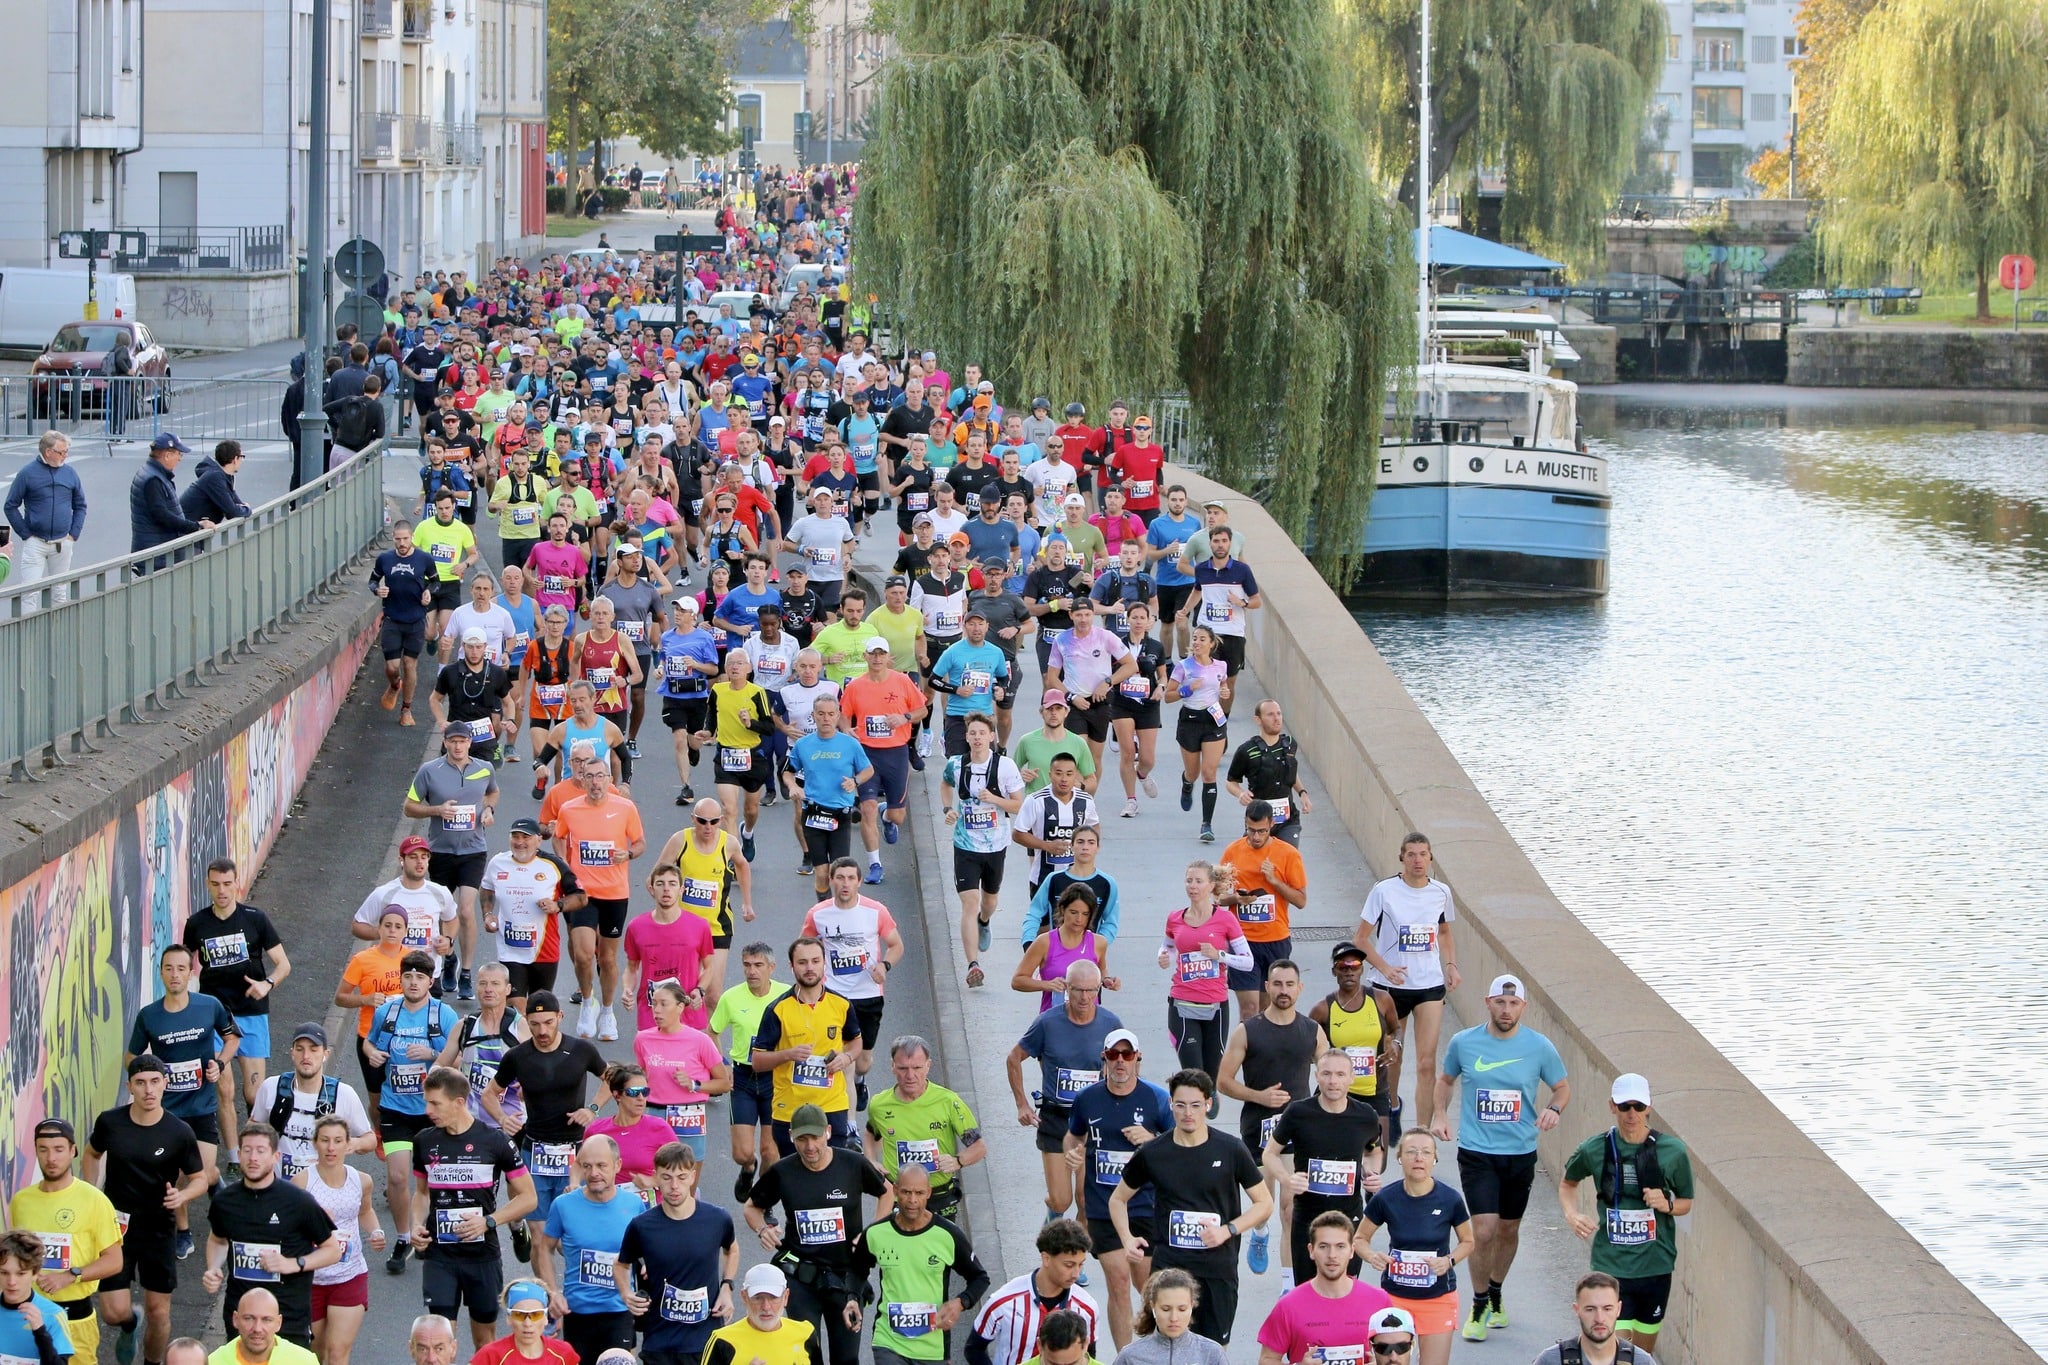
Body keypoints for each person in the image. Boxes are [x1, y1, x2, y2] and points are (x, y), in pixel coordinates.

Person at [1432, 972, 1568, 1342]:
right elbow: (1445, 1080)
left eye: (1513, 1003)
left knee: (1508, 1229)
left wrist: (1555, 1109)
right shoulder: (1464, 1043)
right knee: (1485, 1229)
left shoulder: (1539, 1047)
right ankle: (1477, 1304)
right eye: (1500, 1002)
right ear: (1488, 1003)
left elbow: (1562, 1087)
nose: (1506, 1010)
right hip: (1477, 1151)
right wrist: (1440, 1115)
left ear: (1523, 1007)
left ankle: (1495, 1290)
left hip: (1520, 1152)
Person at [1107, 1069, 1271, 1347]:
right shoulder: (1154, 1152)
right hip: (1169, 1269)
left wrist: (1227, 1230)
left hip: (1217, 1267)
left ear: (1208, 1104)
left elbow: (1264, 1203)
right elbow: (1118, 1199)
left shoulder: (1231, 1149)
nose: (1188, 1113)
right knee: (1165, 1347)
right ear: (1170, 1104)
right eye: (1180, 1105)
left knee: (1214, 1349)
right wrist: (1127, 1238)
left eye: (1196, 1105)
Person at [744, 1104, 891, 1365]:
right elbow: (752, 1207)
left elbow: (886, 1191)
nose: (810, 1146)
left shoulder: (852, 1163)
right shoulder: (783, 1171)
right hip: (801, 1277)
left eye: (815, 1137)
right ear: (791, 1137)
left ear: (828, 1132)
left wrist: (873, 1232)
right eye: (802, 1139)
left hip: (846, 1276)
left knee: (846, 1358)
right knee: (806, 1356)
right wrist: (762, 1229)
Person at [1557, 1076, 1694, 1353]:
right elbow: (1568, 1183)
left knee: (1641, 1354)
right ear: (1612, 1106)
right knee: (1611, 1349)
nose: (1632, 1114)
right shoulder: (1594, 1149)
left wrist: (1666, 1203)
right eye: (1624, 1106)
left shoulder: (1673, 1151)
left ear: (1649, 1107)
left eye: (1638, 1106)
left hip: (1655, 1266)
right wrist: (1572, 1215)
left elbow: (1686, 1202)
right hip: (1611, 1265)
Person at [485, 992, 608, 1294]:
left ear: (560, 1019)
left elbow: (612, 1078)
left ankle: (580, 1291)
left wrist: (591, 1109)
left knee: (573, 1237)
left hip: (574, 1156)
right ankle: (550, 1299)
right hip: (535, 1152)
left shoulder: (581, 1050)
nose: (542, 1031)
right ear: (527, 1022)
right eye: (535, 1023)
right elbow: (489, 1094)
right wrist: (502, 1119)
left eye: (548, 1023)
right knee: (540, 1237)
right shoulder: (518, 1056)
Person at [125, 944, 240, 1257]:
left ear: (191, 973)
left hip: (201, 1107)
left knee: (201, 1172)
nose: (174, 975)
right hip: (167, 1112)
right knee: (169, 1177)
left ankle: (216, 1186)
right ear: (160, 972)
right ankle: (184, 1232)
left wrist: (221, 1063)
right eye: (168, 968)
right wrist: (148, 1079)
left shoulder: (209, 1005)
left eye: (180, 968)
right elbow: (132, 1057)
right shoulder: (149, 1016)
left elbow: (232, 1038)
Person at [410, 1069, 537, 1350]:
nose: (428, 1110)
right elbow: (420, 1194)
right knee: (439, 1341)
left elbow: (529, 1198)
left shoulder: (495, 1141)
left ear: (459, 1102)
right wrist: (415, 1225)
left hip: (482, 1257)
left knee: (485, 1342)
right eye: (426, 1102)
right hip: (440, 1255)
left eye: (435, 1103)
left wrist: (489, 1222)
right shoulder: (424, 1140)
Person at [1061, 1030, 1169, 1351]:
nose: (1120, 1062)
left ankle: (1154, 1350)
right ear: (1104, 1059)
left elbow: (1180, 1145)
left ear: (1138, 1058)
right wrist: (1072, 1152)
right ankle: (1125, 1356)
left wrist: (1151, 1140)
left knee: (1146, 1286)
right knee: (1118, 1281)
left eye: (1127, 1055)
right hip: (1103, 1206)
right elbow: (1073, 1137)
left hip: (1145, 1206)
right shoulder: (1087, 1099)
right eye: (1113, 1055)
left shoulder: (1156, 1099)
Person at [1218, 958, 1326, 1278]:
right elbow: (1223, 1081)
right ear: (1267, 987)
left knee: (1290, 1209)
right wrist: (1259, 1096)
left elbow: (1331, 1074)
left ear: (1299, 988)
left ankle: (1287, 1284)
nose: (1283, 991)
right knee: (1263, 1205)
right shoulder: (1248, 1031)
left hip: (1297, 1130)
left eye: (1289, 984)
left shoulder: (1311, 1031)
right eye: (1277, 984)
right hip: (1259, 1129)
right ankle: (1260, 1233)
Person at [182, 857, 290, 1166]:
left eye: (227, 884)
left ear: (236, 884)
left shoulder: (255, 919)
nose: (222, 891)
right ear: (208, 885)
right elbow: (184, 964)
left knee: (255, 1096)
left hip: (252, 1014)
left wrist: (266, 984)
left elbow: (283, 965)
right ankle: (233, 1160)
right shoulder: (197, 923)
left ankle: (256, 1153)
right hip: (216, 1018)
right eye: (215, 885)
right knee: (224, 1090)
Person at [200, 1125, 343, 1348]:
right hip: (241, 1318)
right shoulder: (224, 1201)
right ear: (239, 1155)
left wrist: (294, 1263)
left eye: (260, 1150)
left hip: (287, 1318)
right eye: (247, 1150)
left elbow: (333, 1250)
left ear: (275, 1156)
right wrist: (213, 1268)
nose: (253, 1158)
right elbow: (217, 1239)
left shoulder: (299, 1202)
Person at [1355, 832, 1459, 1138]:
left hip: (1429, 985)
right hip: (1391, 987)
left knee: (1427, 1062)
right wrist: (1385, 968)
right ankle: (1392, 1108)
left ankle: (1422, 1134)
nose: (1417, 860)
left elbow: (1444, 932)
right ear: (1402, 857)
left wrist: (1451, 965)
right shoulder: (1384, 891)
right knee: (1392, 1057)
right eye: (1411, 854)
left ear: (1430, 858)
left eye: (1423, 854)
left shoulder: (1440, 892)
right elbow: (1360, 939)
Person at [362, 951, 459, 1274]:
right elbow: (368, 1043)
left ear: (430, 981)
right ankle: (403, 1237)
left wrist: (433, 1054)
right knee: (398, 1176)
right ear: (401, 978)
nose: (413, 983)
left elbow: (458, 1061)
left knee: (432, 1180)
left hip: (433, 1112)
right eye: (408, 977)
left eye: (420, 978)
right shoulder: (387, 1012)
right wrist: (373, 1053)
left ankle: (427, 1232)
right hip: (395, 1108)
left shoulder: (443, 1015)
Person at [850, 1160, 992, 1365]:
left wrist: (960, 1303)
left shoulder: (947, 1235)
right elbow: (857, 1271)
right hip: (888, 1340)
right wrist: (853, 1298)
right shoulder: (876, 1233)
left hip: (932, 1349)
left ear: (928, 1193)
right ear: (896, 1191)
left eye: (919, 1193)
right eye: (906, 1192)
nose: (912, 1200)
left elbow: (980, 1277)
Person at [545, 754, 646, 1039]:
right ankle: (588, 1002)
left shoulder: (625, 808)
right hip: (582, 893)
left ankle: (607, 1010)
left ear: (609, 779)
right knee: (583, 953)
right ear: (581, 779)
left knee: (608, 958)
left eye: (600, 776)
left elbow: (639, 842)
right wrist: (565, 867)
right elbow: (558, 836)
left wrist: (628, 854)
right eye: (589, 777)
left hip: (615, 893)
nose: (595, 782)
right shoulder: (569, 809)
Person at [1264, 1049, 1385, 1287]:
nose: (1333, 1081)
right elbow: (1269, 1154)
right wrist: (1287, 1179)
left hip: (1348, 1217)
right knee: (1308, 1291)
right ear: (1317, 1076)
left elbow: (1374, 1150)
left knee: (1346, 1288)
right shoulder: (1298, 1113)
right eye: (1327, 1074)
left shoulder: (1366, 1116)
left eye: (1340, 1074)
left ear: (1352, 1078)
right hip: (1308, 1217)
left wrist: (1372, 1174)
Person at [8, 1119, 122, 1365]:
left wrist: (71, 1275)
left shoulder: (94, 1200)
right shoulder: (21, 1201)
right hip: (27, 1314)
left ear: (72, 1151)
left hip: (74, 1317)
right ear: (35, 1150)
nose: (51, 1158)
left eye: (59, 1149)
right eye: (44, 1149)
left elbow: (114, 1261)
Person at [1354, 1131, 1473, 1364]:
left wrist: (1448, 1261)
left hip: (1437, 1297)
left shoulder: (1450, 1199)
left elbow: (1468, 1241)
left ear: (1434, 1159)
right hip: (1395, 1298)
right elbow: (1359, 1239)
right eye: (1411, 1152)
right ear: (1400, 1158)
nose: (1419, 1158)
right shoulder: (1386, 1198)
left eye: (1426, 1152)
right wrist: (1371, 1256)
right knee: (1392, 1361)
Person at [614, 1143, 739, 1365]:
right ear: (656, 1178)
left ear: (692, 1177)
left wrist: (727, 1287)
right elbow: (621, 1263)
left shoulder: (717, 1219)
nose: (674, 1186)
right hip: (660, 1340)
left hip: (705, 1339)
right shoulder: (642, 1226)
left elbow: (732, 1249)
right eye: (666, 1177)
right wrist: (626, 1294)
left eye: (681, 1177)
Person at [404, 723, 500, 1001]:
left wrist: (489, 809)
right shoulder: (429, 771)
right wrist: (436, 810)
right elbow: (409, 806)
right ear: (445, 742)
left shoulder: (484, 768)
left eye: (463, 741)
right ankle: (448, 959)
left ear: (470, 742)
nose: (458, 746)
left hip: (473, 850)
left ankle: (467, 973)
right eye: (453, 741)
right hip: (441, 852)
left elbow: (492, 792)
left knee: (466, 911)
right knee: (442, 913)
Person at [801, 859, 905, 1108]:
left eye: (850, 878)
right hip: (832, 995)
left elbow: (896, 945)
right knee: (838, 1053)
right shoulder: (818, 914)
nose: (845, 883)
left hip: (868, 994)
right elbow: (803, 947)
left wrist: (884, 966)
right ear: (831, 881)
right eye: (840, 877)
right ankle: (840, 1113)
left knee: (863, 1061)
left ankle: (859, 1080)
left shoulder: (875, 910)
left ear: (859, 882)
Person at [750, 938, 862, 1149]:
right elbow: (757, 1061)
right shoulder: (777, 1009)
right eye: (802, 962)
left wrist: (846, 1057)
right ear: (792, 966)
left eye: (815, 961)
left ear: (824, 963)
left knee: (832, 1175)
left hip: (832, 1106)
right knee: (796, 1177)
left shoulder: (841, 1004)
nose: (809, 968)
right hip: (790, 1110)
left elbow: (855, 1041)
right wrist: (788, 1054)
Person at [538, 1137, 641, 1364]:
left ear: (617, 1166)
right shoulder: (563, 1205)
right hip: (578, 1311)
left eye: (602, 1166)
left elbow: (646, 1251)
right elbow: (544, 1249)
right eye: (587, 1166)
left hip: (619, 1310)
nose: (594, 1173)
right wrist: (552, 1292)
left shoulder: (634, 1206)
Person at [862, 1035, 987, 1219]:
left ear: (928, 1065)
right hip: (900, 1197)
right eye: (903, 1068)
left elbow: (979, 1147)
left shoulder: (948, 1101)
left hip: (938, 1196)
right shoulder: (879, 1105)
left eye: (917, 1068)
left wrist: (957, 1161)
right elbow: (870, 1133)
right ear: (892, 1066)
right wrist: (871, 1161)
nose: (910, 1075)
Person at [943, 714, 1026, 988]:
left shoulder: (1005, 766)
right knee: (969, 902)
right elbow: (945, 784)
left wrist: (994, 799)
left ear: (991, 736)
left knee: (988, 902)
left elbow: (1018, 805)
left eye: (982, 733)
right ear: (966, 737)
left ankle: (985, 920)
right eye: (972, 733)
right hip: (965, 845)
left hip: (995, 845)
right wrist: (948, 808)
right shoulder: (956, 765)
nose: (977, 737)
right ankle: (972, 964)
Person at [838, 638, 929, 883]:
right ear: (865, 657)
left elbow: (923, 709)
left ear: (888, 657)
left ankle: (887, 816)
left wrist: (904, 717)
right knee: (866, 809)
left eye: (881, 654)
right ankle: (875, 864)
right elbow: (843, 716)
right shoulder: (855, 686)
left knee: (898, 815)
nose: (877, 658)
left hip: (896, 753)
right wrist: (847, 730)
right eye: (872, 654)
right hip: (866, 754)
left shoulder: (902, 681)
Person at [294, 1115, 380, 1365]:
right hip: (312, 1278)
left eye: (338, 1141)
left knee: (337, 1352)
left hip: (349, 1275)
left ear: (347, 1145)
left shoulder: (361, 1180)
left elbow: (365, 1211)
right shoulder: (302, 1183)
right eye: (325, 1141)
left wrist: (376, 1231)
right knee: (316, 1352)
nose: (331, 1148)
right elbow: (289, 1228)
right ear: (315, 1143)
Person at [709, 943, 791, 1202]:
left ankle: (763, 1200)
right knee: (742, 1153)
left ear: (771, 967)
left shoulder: (787, 996)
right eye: (747, 965)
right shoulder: (731, 997)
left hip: (775, 1079)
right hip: (743, 1078)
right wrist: (722, 1064)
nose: (751, 971)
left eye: (758, 965)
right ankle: (747, 1169)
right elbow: (712, 1032)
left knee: (770, 1151)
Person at [1158, 861, 1250, 1088]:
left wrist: (1220, 955)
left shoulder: (1226, 920)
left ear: (1211, 885)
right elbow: (1167, 946)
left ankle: (1210, 1100)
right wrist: (1163, 956)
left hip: (1215, 1005)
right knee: (1192, 1074)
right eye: (1189, 881)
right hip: (1182, 1001)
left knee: (1209, 1075)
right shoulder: (1175, 918)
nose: (1193, 886)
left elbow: (1248, 962)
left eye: (1199, 881)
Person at [479, 817, 585, 1014]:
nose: (520, 842)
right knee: (515, 1007)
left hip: (544, 950)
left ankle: (536, 1043)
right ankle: (518, 1043)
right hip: (510, 949)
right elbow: (486, 889)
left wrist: (558, 905)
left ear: (538, 840)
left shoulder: (554, 866)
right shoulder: (498, 863)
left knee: (540, 1010)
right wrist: (488, 914)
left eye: (526, 837)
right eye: (515, 837)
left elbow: (580, 897)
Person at [249, 1021, 375, 1182]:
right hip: (279, 1187)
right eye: (300, 1049)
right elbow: (251, 1130)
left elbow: (370, 1140)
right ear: (292, 1053)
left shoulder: (343, 1094)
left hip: (323, 1188)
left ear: (325, 1054)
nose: (306, 1056)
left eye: (313, 1049)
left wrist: (352, 1143)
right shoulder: (271, 1087)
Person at [347, 835, 458, 1014]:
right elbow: (357, 925)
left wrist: (448, 939)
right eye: (413, 857)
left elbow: (451, 918)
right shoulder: (384, 894)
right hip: (395, 975)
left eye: (424, 857)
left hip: (429, 973)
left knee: (427, 1033)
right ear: (401, 860)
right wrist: (384, 933)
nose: (419, 862)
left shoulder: (439, 892)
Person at [1217, 802, 1308, 1021]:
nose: (1256, 837)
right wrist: (1238, 899)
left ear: (1272, 825)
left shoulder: (1288, 854)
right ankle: (1244, 1054)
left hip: (1275, 940)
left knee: (1268, 1011)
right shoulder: (1233, 851)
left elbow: (1301, 900)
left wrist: (1274, 881)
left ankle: (1264, 1054)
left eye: (1262, 831)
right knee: (1249, 1010)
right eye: (1251, 830)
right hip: (1242, 941)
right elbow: (1218, 897)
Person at [967, 1221, 1100, 1365]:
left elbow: (1087, 1354)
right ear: (1046, 1258)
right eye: (1069, 1265)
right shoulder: (1003, 1301)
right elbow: (974, 1349)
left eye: (1081, 1264)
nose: (1076, 1273)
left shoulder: (1088, 1307)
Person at [692, 649, 778, 864]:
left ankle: (747, 832)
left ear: (749, 669)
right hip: (726, 755)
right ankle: (733, 855)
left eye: (740, 663)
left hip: (752, 757)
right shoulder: (718, 691)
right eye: (731, 663)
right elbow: (712, 715)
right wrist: (708, 732)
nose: (735, 667)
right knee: (729, 809)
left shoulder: (758, 693)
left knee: (750, 809)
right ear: (726, 668)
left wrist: (751, 723)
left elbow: (769, 728)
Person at [1309, 943, 1394, 1147]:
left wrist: (1395, 1044)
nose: (1349, 971)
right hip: (1336, 1091)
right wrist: (1323, 1062)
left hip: (1375, 1090)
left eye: (1355, 965)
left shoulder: (1381, 999)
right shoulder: (1323, 1009)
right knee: (1334, 1150)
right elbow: (1306, 1042)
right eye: (1343, 966)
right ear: (1334, 971)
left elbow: (1395, 1029)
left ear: (1362, 969)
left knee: (1377, 1158)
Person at [784, 700, 873, 888]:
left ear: (837, 716)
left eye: (831, 714)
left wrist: (854, 781)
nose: (826, 718)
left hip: (840, 814)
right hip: (813, 814)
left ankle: (841, 914)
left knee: (839, 873)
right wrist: (793, 786)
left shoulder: (850, 744)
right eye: (821, 714)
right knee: (822, 873)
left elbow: (868, 770)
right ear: (814, 716)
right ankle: (822, 914)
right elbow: (788, 771)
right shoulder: (803, 745)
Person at [1044, 599, 1135, 782]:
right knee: (1077, 756)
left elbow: (1130, 665)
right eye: (1078, 615)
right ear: (1071, 615)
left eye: (1087, 615)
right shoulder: (1062, 640)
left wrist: (1108, 682)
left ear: (1093, 615)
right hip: (1074, 703)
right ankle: (1075, 801)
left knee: (1094, 760)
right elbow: (1052, 677)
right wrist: (1071, 696)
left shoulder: (1105, 636)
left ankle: (1088, 800)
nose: (1083, 619)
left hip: (1099, 702)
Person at [629, 988, 723, 1163]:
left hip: (689, 1115)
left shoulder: (700, 1041)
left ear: (680, 1007)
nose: (657, 1010)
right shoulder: (642, 1039)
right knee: (655, 1176)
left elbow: (724, 1083)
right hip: (655, 1112)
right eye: (654, 1004)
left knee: (686, 1179)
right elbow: (643, 1074)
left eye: (664, 1004)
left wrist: (695, 1084)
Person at [621, 865, 717, 1034]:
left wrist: (700, 990)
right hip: (651, 1013)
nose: (666, 889)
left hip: (687, 1013)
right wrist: (627, 989)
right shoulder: (636, 926)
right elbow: (631, 968)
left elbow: (709, 967)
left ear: (681, 889)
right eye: (660, 884)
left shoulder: (699, 926)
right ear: (651, 889)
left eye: (672, 884)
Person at [6, 431, 86, 604]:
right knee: (29, 594)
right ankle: (28, 631)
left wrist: (73, 534)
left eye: (66, 451)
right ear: (48, 452)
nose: (66, 455)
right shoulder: (27, 473)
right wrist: (25, 534)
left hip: (63, 542)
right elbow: (10, 505)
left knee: (60, 593)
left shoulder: (70, 473)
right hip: (36, 543)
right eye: (62, 452)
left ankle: (59, 631)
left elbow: (80, 505)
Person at [371, 521, 437, 723]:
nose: (402, 543)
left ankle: (406, 709)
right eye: (398, 539)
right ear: (393, 538)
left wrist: (428, 592)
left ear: (412, 538)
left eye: (405, 539)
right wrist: (377, 590)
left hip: (416, 619)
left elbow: (435, 581)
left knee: (409, 664)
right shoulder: (385, 559)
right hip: (392, 618)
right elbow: (373, 580)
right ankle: (394, 685)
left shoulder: (424, 559)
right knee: (392, 667)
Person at [1188, 526, 1258, 716]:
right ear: (1210, 543)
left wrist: (1240, 602)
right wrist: (1185, 610)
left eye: (1224, 541)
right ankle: (1202, 716)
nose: (1220, 545)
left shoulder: (1242, 570)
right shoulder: (1201, 569)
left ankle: (1222, 721)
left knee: (1229, 681)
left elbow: (1256, 601)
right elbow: (1197, 590)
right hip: (1208, 633)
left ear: (1230, 543)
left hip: (1233, 633)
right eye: (1216, 541)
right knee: (1204, 677)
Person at [1168, 627, 1230, 841]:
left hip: (1213, 721)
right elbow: (1168, 696)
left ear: (1211, 643)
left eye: (1202, 639)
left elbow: (1222, 686)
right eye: (1195, 638)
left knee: (1209, 773)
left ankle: (1207, 824)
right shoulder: (1183, 666)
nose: (1197, 642)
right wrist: (1187, 690)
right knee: (1193, 773)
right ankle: (1187, 783)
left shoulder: (1221, 666)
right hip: (1190, 721)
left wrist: (1225, 691)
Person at [1012, 884, 1114, 1013]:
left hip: (1089, 1020)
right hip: (1054, 1019)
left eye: (1085, 914)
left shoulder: (1099, 942)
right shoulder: (1044, 942)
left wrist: (1107, 980)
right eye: (1073, 912)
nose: (1079, 919)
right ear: (1062, 910)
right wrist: (1048, 985)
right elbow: (1018, 981)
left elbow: (1102, 969)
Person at [1226, 700, 1311, 847]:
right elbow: (1231, 781)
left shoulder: (1289, 744)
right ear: (1258, 720)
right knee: (1253, 863)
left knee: (1288, 860)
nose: (1276, 718)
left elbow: (1291, 772)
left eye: (1278, 713)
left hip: (1287, 820)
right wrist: (1240, 794)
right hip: (1258, 822)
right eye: (1270, 714)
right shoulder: (1247, 751)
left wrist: (1302, 793)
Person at [1531, 1274, 1659, 1365]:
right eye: (1590, 1309)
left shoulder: (1641, 1362)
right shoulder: (1550, 1360)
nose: (1599, 1319)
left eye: (1607, 1309)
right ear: (1577, 1310)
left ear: (1618, 1309)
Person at [700, 1263, 814, 1365]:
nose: (766, 1307)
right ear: (744, 1297)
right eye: (758, 1298)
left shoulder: (806, 1333)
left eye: (774, 1298)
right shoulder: (723, 1340)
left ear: (786, 1297)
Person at [129, 433, 214, 568]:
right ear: (167, 455)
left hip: (156, 552)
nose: (180, 459)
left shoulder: (151, 474)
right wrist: (195, 526)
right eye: (179, 454)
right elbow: (162, 515)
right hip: (157, 556)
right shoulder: (154, 480)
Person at [1109, 1270, 1225, 1365]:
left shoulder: (1211, 1354)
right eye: (1166, 1309)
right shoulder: (1130, 1357)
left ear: (1192, 1306)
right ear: (1153, 1306)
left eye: (1182, 1309)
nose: (1174, 1318)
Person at [466, 1280, 577, 1365]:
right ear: (509, 1318)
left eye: (535, 1314)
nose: (527, 1323)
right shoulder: (490, 1356)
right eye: (519, 1314)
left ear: (545, 1318)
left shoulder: (564, 1353)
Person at [207, 1288, 315, 1365]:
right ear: (235, 1319)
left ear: (278, 1323)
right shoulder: (213, 1362)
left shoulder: (304, 1361)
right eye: (249, 1318)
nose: (257, 1328)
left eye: (266, 1320)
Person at [181, 440, 253, 524]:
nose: (242, 460)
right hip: (184, 531)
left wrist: (243, 509)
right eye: (242, 457)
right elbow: (232, 511)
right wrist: (247, 509)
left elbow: (236, 505)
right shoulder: (214, 477)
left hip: (193, 528)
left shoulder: (221, 476)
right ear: (235, 459)